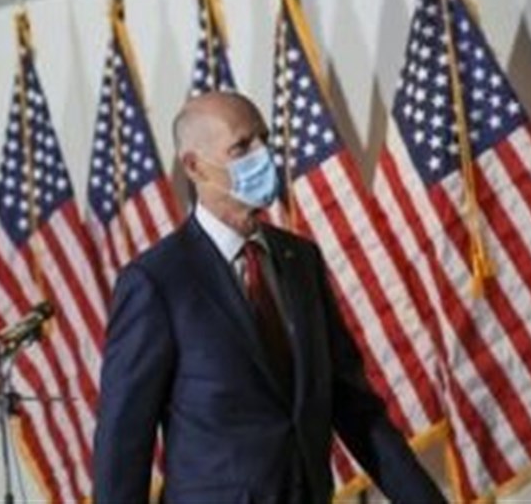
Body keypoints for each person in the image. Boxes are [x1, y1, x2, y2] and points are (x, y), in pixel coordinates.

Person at [93, 92, 447, 504]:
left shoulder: (301, 260)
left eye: (264, 138)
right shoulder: (157, 281)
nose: (262, 155)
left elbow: (353, 405)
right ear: (194, 166)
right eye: (242, 146)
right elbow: (122, 444)